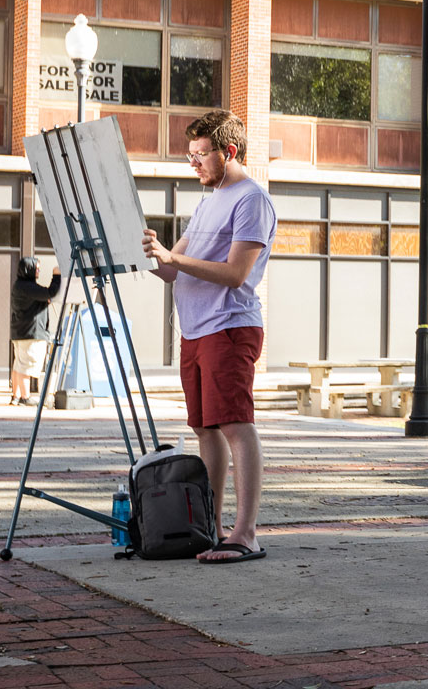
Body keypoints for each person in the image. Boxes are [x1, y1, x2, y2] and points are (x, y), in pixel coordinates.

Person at [142, 110, 277, 564]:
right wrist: (144, 251)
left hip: (229, 326)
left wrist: (172, 259)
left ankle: (246, 533)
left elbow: (237, 273)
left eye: (202, 155)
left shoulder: (250, 199)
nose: (194, 163)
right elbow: (168, 269)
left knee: (236, 425)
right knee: (204, 429)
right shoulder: (207, 200)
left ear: (229, 152)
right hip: (196, 329)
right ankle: (210, 527)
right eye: (190, 155)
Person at [10, 258, 61, 405]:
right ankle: (25, 398)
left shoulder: (20, 286)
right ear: (29, 269)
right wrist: (56, 276)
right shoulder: (27, 287)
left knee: (19, 364)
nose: (38, 271)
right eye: (36, 268)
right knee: (27, 365)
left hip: (21, 332)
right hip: (31, 334)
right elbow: (50, 292)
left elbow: (40, 298)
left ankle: (16, 396)